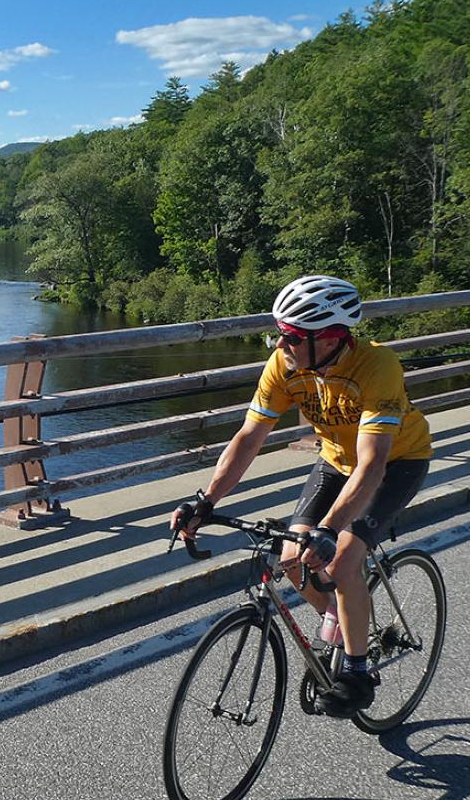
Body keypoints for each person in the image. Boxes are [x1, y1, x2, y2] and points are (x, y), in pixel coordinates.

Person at [170, 275, 432, 716]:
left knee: (344, 557)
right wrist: (207, 501)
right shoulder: (285, 366)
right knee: (292, 557)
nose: (279, 344)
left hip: (395, 464)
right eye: (279, 333)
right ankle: (341, 612)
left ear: (328, 338)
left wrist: (330, 529)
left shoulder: (377, 366)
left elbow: (370, 465)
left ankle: (357, 669)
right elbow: (250, 436)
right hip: (334, 460)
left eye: (290, 336)